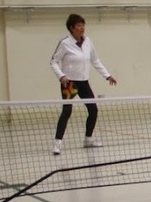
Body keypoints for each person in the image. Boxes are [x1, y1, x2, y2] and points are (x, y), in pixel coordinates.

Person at [49, 13, 117, 155]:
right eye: (79, 25)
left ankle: (88, 140)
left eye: (83, 25)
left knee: (93, 110)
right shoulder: (65, 43)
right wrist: (61, 76)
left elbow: (95, 60)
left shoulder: (88, 42)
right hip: (70, 84)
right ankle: (57, 143)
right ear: (72, 28)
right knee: (67, 111)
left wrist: (107, 75)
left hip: (84, 82)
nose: (82, 28)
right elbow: (54, 61)